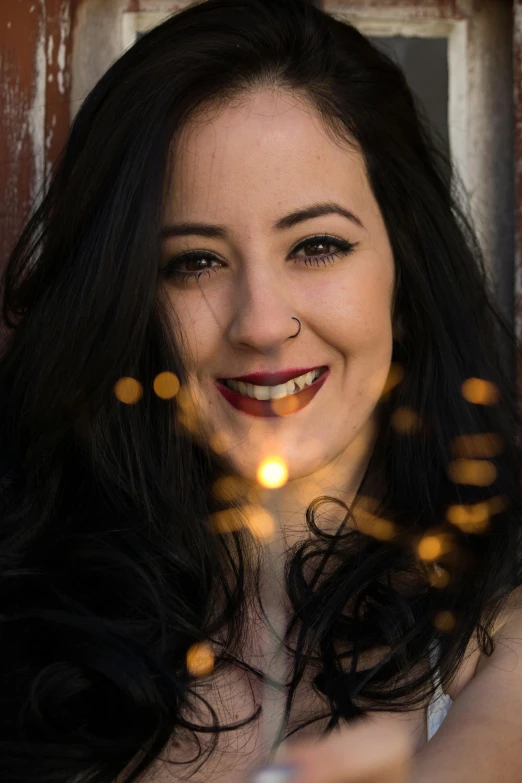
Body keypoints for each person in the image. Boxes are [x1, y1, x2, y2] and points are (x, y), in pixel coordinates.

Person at [1, 0, 521, 781]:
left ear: (405, 277)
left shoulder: (502, 620)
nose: (262, 323)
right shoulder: (26, 610)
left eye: (317, 246)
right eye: (195, 262)